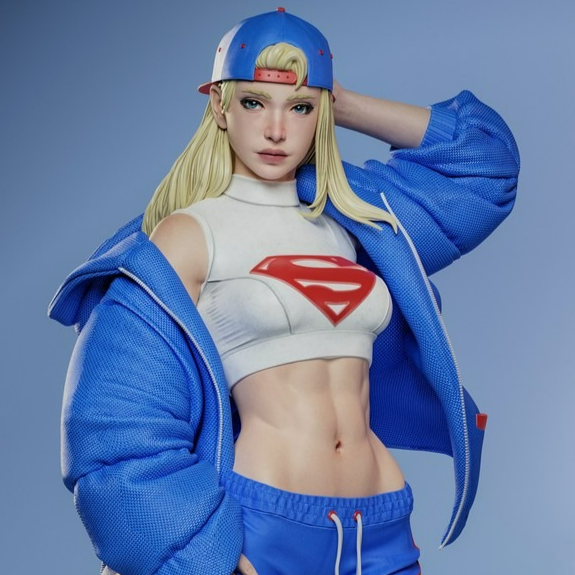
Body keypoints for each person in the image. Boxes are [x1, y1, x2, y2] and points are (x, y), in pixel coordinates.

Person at [49, 8, 519, 575]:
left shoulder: (353, 216)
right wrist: (204, 559)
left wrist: (340, 102)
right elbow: (113, 424)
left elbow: (485, 164)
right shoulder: (188, 235)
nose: (276, 129)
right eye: (254, 103)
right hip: (266, 531)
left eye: (299, 108)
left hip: (382, 525)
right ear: (219, 105)